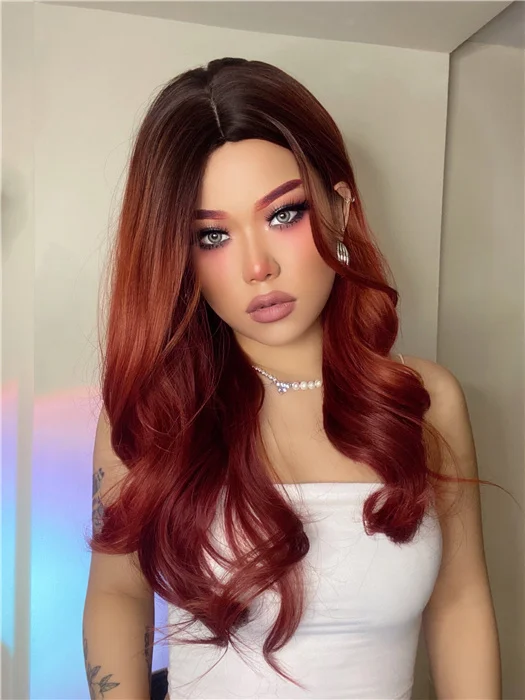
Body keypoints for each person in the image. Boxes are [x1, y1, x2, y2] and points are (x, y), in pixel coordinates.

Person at [82, 57, 503, 699]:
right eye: (212, 236)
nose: (257, 267)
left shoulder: (424, 402)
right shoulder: (152, 412)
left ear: (340, 208)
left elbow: (461, 602)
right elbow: (117, 595)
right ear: (179, 257)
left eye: (283, 214)